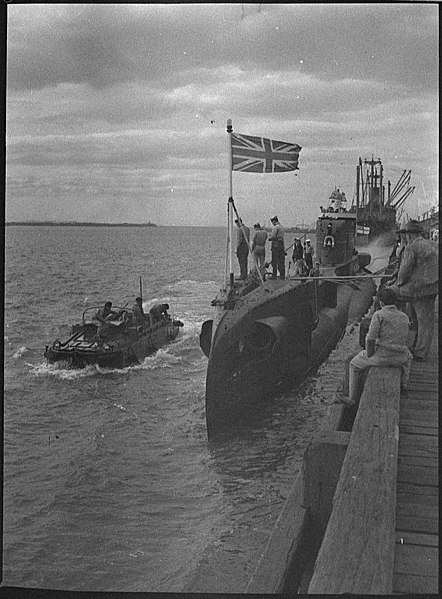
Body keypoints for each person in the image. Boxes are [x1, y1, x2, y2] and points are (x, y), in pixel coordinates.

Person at [340, 287, 413, 406]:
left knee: (353, 364)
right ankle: (404, 385)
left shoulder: (379, 315)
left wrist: (369, 354)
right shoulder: (404, 316)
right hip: (400, 357)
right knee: (409, 357)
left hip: (382, 357)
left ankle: (352, 398)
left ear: (381, 302)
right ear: (395, 302)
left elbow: (370, 338)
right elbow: (406, 337)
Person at [388, 220, 438, 361]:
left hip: (416, 289)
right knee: (424, 320)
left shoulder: (412, 247)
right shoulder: (433, 244)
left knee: (387, 293)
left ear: (408, 235)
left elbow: (405, 271)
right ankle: (417, 346)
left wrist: (397, 283)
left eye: (403, 235)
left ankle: (413, 349)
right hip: (432, 287)